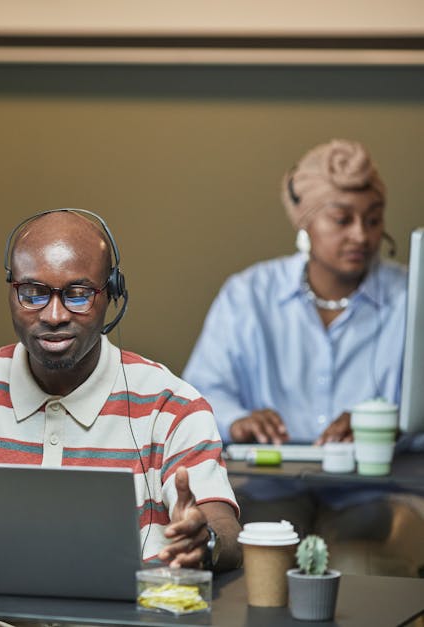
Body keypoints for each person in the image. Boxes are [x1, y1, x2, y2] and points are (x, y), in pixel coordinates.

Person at [0, 209, 242, 626]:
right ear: (11, 292)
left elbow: (224, 529)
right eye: (33, 293)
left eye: (78, 294)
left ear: (112, 293)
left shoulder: (172, 404)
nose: (54, 315)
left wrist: (205, 541)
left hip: (127, 620)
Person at [183, 138, 423, 576]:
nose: (361, 235)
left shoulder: (411, 299)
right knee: (255, 570)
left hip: (376, 494)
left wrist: (384, 423)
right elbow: (200, 394)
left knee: (361, 572)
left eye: (373, 219)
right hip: (269, 489)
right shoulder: (248, 295)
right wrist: (238, 420)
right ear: (305, 222)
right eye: (342, 219)